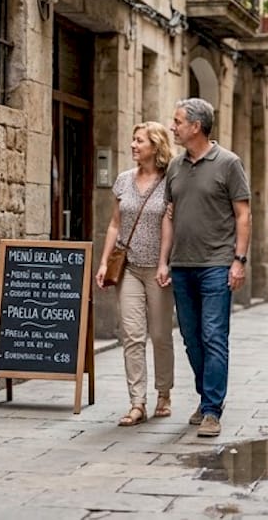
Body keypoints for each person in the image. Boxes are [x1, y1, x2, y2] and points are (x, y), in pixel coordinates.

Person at [164, 98, 251, 438]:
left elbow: (243, 214)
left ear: (196, 127)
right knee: (190, 338)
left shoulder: (229, 163)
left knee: (214, 336)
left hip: (216, 264)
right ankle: (206, 397)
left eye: (178, 121)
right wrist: (164, 261)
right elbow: (169, 216)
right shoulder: (175, 166)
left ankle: (212, 409)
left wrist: (238, 261)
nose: (173, 127)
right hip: (182, 265)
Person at [95, 122, 175, 427]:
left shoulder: (170, 182)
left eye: (139, 141)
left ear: (155, 147)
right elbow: (115, 223)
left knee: (160, 335)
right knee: (132, 336)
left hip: (157, 269)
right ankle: (137, 402)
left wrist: (165, 261)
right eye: (132, 140)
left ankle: (164, 393)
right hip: (127, 267)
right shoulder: (123, 180)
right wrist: (104, 262)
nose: (132, 145)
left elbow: (172, 223)